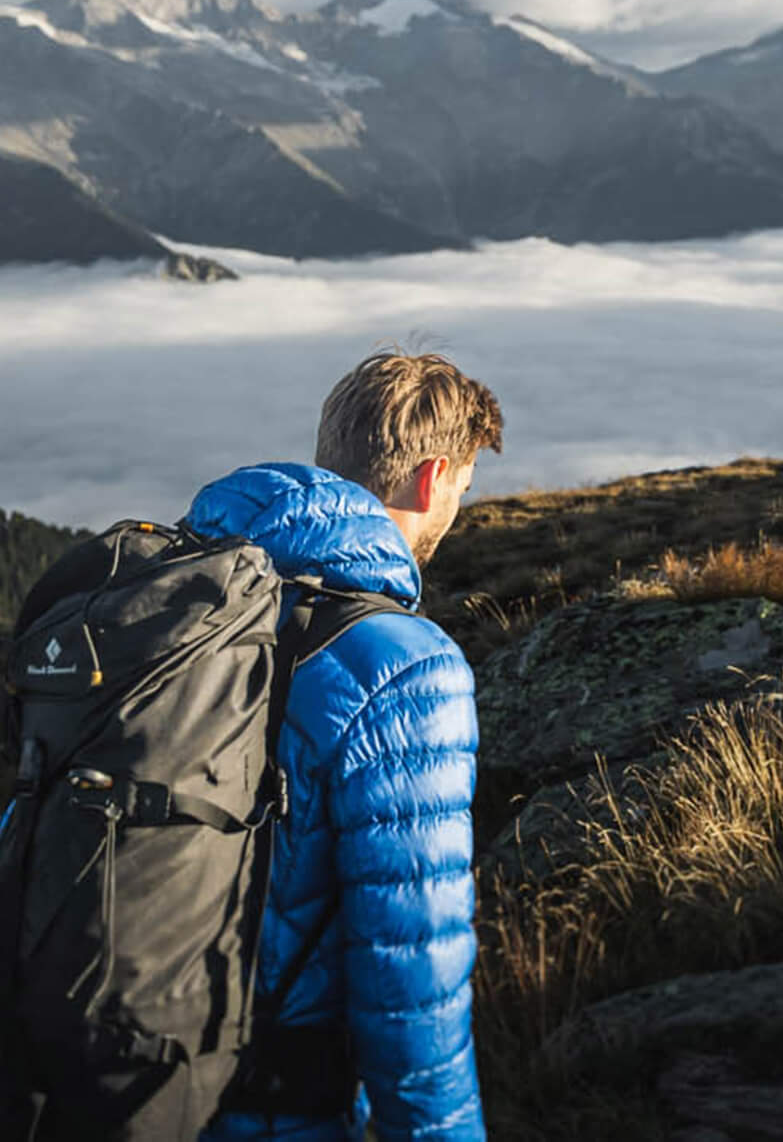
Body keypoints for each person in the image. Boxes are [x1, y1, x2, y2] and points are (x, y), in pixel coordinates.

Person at [185, 351, 501, 1142]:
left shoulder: (177, 605)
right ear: (433, 479)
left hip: (79, 1078)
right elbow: (411, 984)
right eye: (463, 489)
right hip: (266, 1111)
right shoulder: (403, 669)